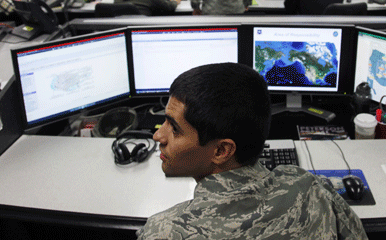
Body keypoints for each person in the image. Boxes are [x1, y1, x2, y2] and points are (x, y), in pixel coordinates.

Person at [137, 63, 368, 240]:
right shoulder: (310, 187)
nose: (158, 135)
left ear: (221, 150)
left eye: (174, 128)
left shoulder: (163, 231)